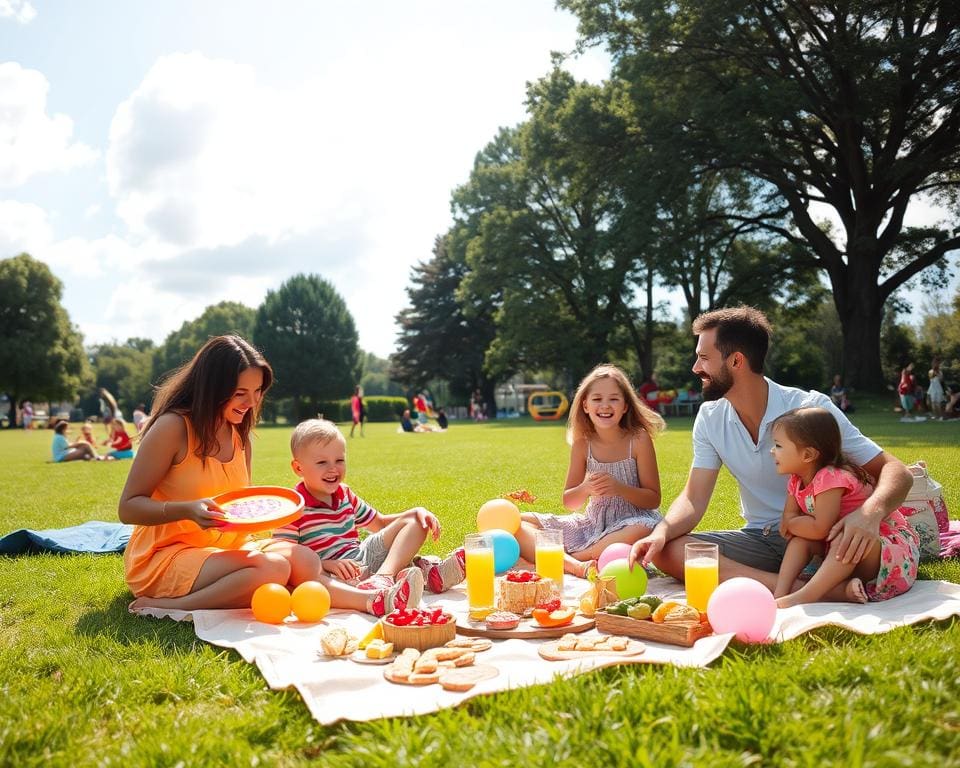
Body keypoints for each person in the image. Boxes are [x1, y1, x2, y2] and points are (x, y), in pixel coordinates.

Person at [119, 335, 422, 615]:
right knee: (273, 569)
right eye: (240, 393)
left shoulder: (240, 437)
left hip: (227, 547)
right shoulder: (172, 428)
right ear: (211, 388)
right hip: (167, 555)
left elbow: (237, 507)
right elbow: (129, 506)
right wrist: (188, 509)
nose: (251, 403)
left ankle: (372, 601)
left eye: (256, 392)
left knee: (304, 558)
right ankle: (172, 607)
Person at [629, 307, 912, 598]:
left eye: (703, 358)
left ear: (736, 360)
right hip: (762, 539)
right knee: (668, 551)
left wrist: (869, 514)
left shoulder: (809, 410)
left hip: (823, 537)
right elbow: (693, 498)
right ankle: (805, 590)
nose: (695, 368)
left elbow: (895, 471)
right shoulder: (710, 417)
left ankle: (802, 585)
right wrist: (661, 532)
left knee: (855, 545)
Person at [273, 419, 465, 594]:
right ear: (299, 468)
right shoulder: (293, 506)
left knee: (416, 520)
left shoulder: (345, 494)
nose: (333, 468)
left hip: (364, 556)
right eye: (322, 462)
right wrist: (325, 564)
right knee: (335, 583)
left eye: (339, 460)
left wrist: (414, 513)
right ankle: (421, 576)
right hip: (337, 575)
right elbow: (285, 556)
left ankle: (387, 578)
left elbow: (379, 523)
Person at [516, 364, 665, 578]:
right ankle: (578, 565)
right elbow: (570, 502)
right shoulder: (582, 445)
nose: (605, 405)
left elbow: (653, 499)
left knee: (646, 528)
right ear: (585, 405)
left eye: (614, 399)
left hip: (632, 521)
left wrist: (620, 489)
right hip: (592, 523)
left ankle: (574, 558)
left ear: (625, 406)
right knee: (518, 520)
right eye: (597, 399)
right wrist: (585, 488)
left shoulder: (639, 439)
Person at [771, 407, 919, 608]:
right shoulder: (796, 480)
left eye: (778, 445)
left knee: (844, 537)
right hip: (844, 552)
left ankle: (805, 595)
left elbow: (818, 527)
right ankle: (780, 593)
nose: (772, 451)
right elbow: (788, 518)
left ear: (807, 454)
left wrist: (791, 523)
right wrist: (792, 523)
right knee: (800, 542)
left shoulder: (830, 478)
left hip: (880, 549)